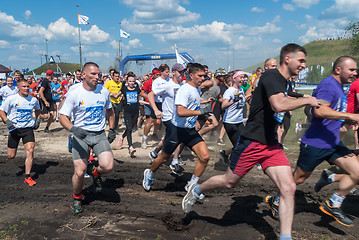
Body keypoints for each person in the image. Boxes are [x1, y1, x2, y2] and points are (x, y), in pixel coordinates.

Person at [182, 44, 321, 240]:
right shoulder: (271, 76)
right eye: (301, 61)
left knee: (288, 187)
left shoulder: (283, 81)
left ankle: (285, 237)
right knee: (229, 182)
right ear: (287, 59)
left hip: (271, 145)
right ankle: (196, 190)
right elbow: (278, 104)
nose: (304, 65)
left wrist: (306, 96)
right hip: (252, 141)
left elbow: (287, 95)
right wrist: (307, 101)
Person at [267, 56, 359, 227]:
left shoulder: (339, 87)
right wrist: (349, 115)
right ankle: (276, 199)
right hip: (315, 143)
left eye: (355, 70)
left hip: (332, 143)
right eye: (351, 70)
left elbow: (333, 112)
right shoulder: (328, 85)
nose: (355, 73)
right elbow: (320, 111)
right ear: (338, 69)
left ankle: (334, 203)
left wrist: (346, 121)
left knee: (357, 172)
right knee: (298, 179)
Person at [143, 63, 211, 192]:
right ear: (191, 75)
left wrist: (203, 115)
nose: (203, 78)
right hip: (176, 130)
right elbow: (181, 111)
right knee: (163, 158)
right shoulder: (183, 90)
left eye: (204, 75)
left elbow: (193, 105)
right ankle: (150, 172)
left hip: (189, 130)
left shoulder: (196, 89)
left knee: (205, 157)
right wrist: (201, 113)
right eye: (200, 75)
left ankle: (191, 185)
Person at [59, 62, 116, 214]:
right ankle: (77, 198)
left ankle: (95, 172)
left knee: (108, 166)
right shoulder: (75, 92)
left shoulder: (103, 92)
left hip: (98, 134)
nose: (97, 77)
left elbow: (110, 111)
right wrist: (73, 129)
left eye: (98, 74)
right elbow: (62, 116)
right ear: (83, 75)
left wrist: (112, 129)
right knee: (79, 172)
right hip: (80, 135)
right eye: (93, 74)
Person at [0, 78, 41, 186]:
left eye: (28, 86)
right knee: (11, 156)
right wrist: (7, 121)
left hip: (28, 129)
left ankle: (27, 176)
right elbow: (2, 111)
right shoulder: (11, 99)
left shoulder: (33, 100)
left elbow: (38, 109)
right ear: (18, 88)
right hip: (14, 129)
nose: (27, 88)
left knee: (30, 151)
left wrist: (38, 119)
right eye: (24, 86)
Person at [147, 63, 186, 174]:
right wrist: (156, 110)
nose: (182, 74)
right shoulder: (167, 85)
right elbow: (150, 95)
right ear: (173, 72)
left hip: (178, 117)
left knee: (168, 138)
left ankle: (154, 153)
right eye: (180, 72)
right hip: (168, 117)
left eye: (183, 72)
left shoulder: (183, 87)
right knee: (179, 138)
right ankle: (174, 162)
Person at [218, 70, 247, 164]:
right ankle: (233, 164)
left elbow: (242, 100)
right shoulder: (229, 91)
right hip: (230, 122)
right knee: (239, 145)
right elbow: (223, 105)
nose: (242, 79)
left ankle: (225, 153)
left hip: (238, 121)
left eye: (243, 77)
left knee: (244, 143)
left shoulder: (241, 89)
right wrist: (234, 101)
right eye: (240, 77)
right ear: (234, 79)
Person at [118, 75, 141, 157]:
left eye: (133, 81)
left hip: (135, 111)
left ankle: (122, 136)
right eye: (130, 81)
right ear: (127, 82)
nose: (132, 83)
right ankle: (130, 147)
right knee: (129, 128)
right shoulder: (124, 89)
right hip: (127, 111)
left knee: (131, 128)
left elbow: (139, 100)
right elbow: (118, 95)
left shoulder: (137, 89)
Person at [140, 68, 162, 148]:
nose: (159, 76)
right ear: (153, 75)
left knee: (158, 122)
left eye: (160, 74)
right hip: (148, 104)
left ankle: (154, 134)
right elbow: (142, 93)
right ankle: (144, 138)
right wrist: (149, 97)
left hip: (158, 104)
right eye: (157, 75)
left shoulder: (162, 82)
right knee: (149, 122)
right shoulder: (148, 82)